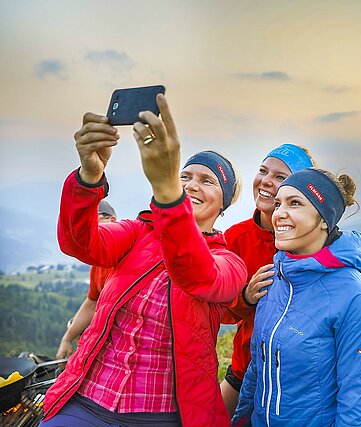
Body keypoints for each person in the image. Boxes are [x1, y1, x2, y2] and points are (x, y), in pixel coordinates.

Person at [41, 94, 247, 427]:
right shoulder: (138, 233)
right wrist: (89, 176)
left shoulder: (228, 263)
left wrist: (168, 191)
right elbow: (80, 243)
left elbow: (196, 273)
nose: (191, 185)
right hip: (87, 399)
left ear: (223, 204)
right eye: (184, 176)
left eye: (207, 181)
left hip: (160, 415)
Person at [232, 168, 361, 426]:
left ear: (324, 219)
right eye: (278, 203)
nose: (279, 213)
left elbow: (357, 404)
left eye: (295, 203)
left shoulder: (356, 299)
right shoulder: (275, 278)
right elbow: (256, 370)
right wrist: (240, 419)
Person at [220, 144, 315, 416]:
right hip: (244, 368)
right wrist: (246, 298)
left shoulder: (311, 243)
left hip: (295, 381)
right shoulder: (236, 238)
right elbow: (217, 310)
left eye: (280, 177)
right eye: (263, 171)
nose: (267, 181)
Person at [56, 200, 117, 361]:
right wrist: (67, 338)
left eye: (92, 221)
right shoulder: (98, 264)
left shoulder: (126, 257)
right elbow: (92, 303)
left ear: (112, 221)